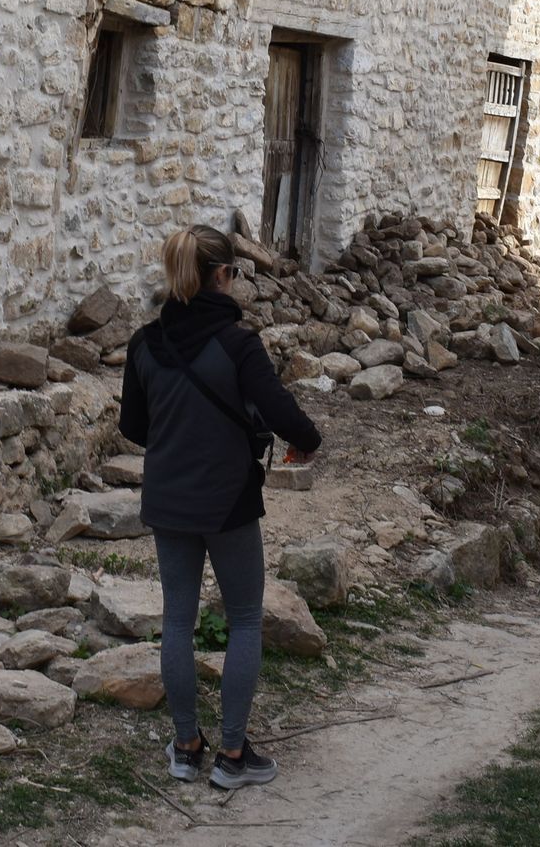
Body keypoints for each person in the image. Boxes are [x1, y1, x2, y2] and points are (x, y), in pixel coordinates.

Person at [119, 224, 321, 789]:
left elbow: (135, 427)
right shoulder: (237, 343)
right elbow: (281, 411)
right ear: (221, 276)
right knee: (246, 620)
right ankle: (232, 755)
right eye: (233, 273)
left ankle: (186, 747)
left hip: (167, 497)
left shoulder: (143, 343)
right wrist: (310, 438)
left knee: (178, 620)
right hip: (228, 499)